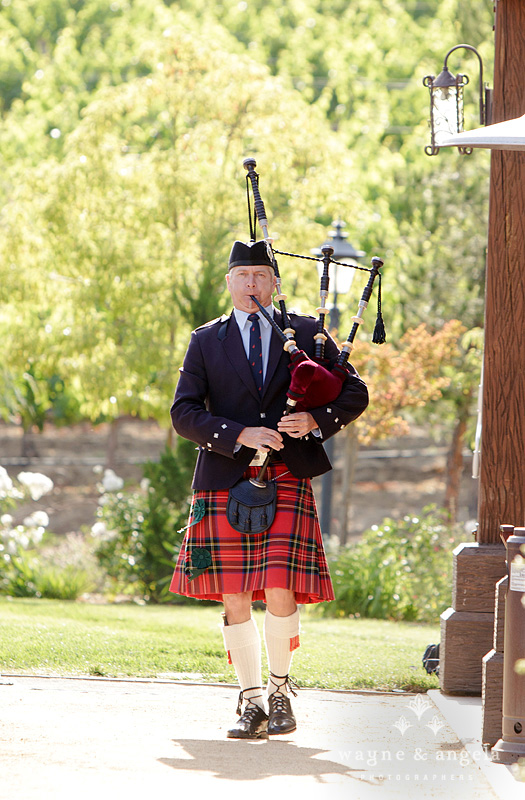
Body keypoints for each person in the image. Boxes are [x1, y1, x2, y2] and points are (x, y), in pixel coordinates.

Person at [170, 239, 369, 739]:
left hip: (285, 474)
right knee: (234, 593)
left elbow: (354, 392)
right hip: (223, 476)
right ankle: (251, 700)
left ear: (275, 282)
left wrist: (315, 419)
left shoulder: (304, 333)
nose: (252, 284)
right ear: (229, 282)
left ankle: (281, 692)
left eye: (261, 275)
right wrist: (237, 434)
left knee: (280, 586)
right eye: (243, 275)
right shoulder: (206, 340)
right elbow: (183, 412)